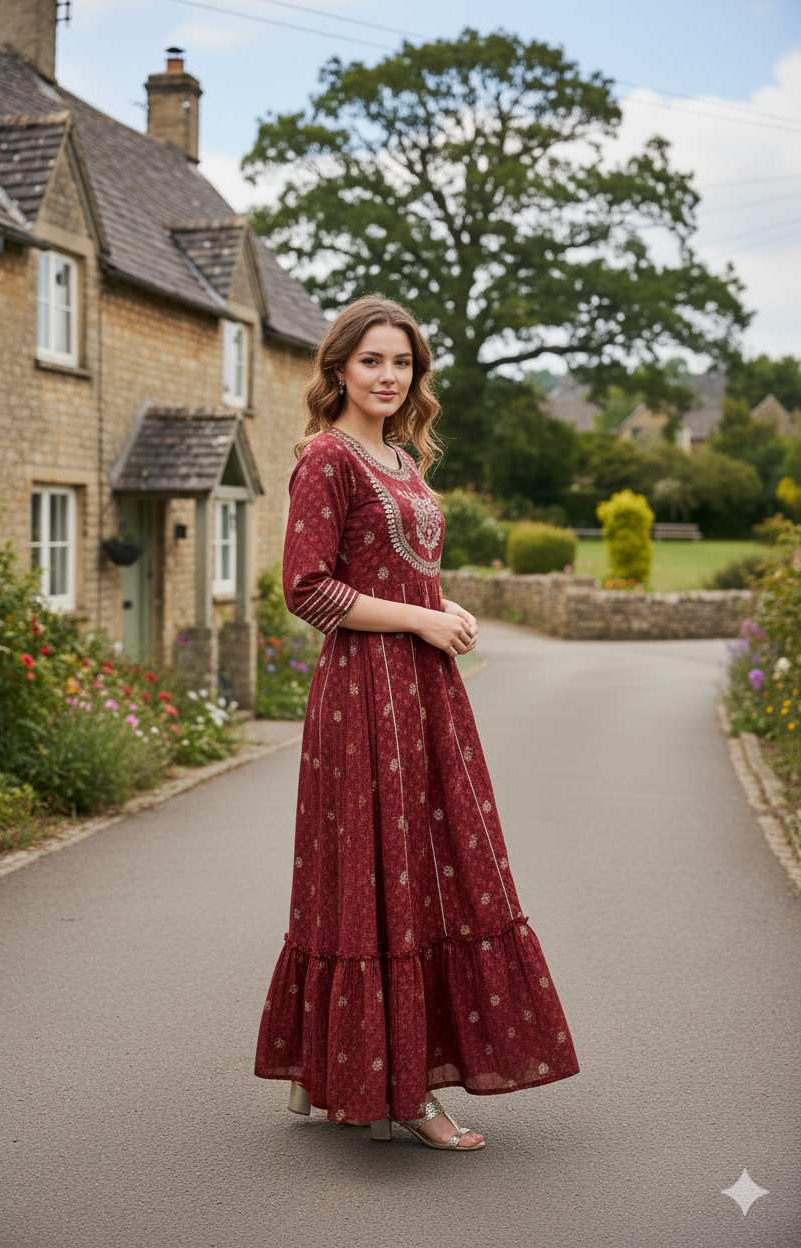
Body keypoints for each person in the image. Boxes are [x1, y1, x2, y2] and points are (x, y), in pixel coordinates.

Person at [254, 296, 579, 1151]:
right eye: (372, 360)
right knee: (376, 874)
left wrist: (446, 607)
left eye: (402, 362)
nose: (389, 375)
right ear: (338, 370)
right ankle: (401, 1092)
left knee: (438, 865)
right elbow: (308, 589)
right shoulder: (326, 458)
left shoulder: (400, 457)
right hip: (364, 696)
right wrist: (421, 620)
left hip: (426, 692)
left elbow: (396, 571)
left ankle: (355, 1067)